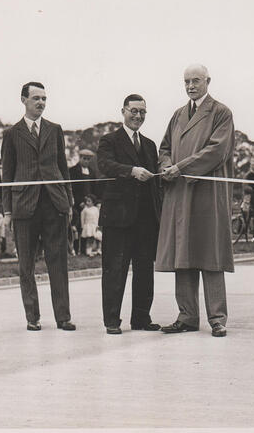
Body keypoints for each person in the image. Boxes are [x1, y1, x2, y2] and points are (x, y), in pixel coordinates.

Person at [156, 64, 235, 338]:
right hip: (179, 192)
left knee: (210, 253)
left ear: (208, 81)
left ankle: (217, 319)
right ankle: (187, 316)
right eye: (186, 81)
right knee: (183, 253)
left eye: (196, 81)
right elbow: (164, 147)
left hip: (207, 195)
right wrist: (167, 165)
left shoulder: (221, 112)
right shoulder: (178, 114)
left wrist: (182, 167)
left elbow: (217, 150)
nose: (190, 86)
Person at [1, 81, 75, 332]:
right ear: (24, 100)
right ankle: (32, 317)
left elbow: (63, 167)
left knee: (59, 263)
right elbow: (7, 174)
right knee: (26, 266)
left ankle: (63, 317)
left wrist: (69, 201)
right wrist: (7, 211)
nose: (41, 103)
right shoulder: (12, 134)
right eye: (36, 98)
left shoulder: (55, 130)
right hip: (24, 206)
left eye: (44, 98)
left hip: (54, 204)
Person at [97, 93, 162, 335]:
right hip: (118, 218)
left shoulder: (150, 144)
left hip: (146, 219)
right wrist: (132, 170)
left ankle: (141, 319)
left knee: (145, 270)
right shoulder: (109, 140)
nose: (138, 116)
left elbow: (156, 182)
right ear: (123, 111)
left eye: (142, 112)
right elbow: (104, 165)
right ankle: (112, 320)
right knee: (115, 269)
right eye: (133, 111)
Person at [69, 148, 99, 254]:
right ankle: (76, 249)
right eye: (84, 159)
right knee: (78, 227)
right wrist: (79, 202)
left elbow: (95, 188)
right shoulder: (73, 171)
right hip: (78, 204)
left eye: (88, 159)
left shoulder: (92, 171)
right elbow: (72, 188)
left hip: (90, 205)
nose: (86, 161)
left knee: (88, 227)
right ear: (80, 158)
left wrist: (93, 202)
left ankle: (86, 249)